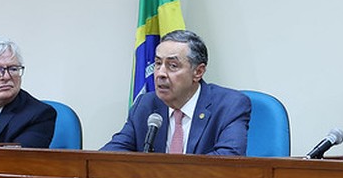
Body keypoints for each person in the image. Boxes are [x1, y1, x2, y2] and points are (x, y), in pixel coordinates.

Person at [101, 29, 251, 155]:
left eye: (172, 65)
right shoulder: (145, 105)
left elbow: (228, 162)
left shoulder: (229, 106)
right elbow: (112, 156)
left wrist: (159, 174)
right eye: (158, 63)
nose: (160, 73)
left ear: (198, 72)